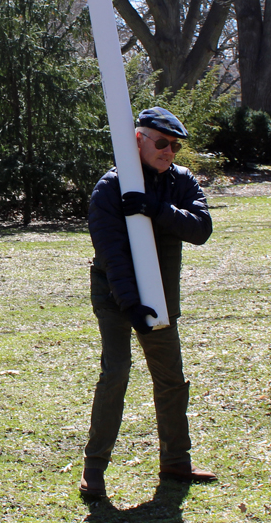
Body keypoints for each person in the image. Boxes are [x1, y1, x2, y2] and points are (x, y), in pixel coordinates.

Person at [79, 107, 217, 497]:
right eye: (161, 143)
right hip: (115, 296)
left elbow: (201, 228)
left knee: (171, 378)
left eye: (174, 145)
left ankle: (176, 462)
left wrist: (155, 208)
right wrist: (131, 305)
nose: (169, 151)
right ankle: (95, 470)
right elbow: (112, 254)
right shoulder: (110, 188)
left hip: (160, 295)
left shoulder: (181, 181)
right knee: (116, 374)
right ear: (138, 140)